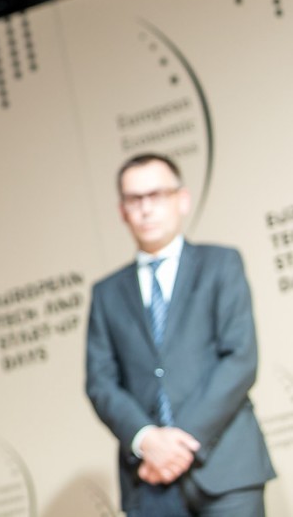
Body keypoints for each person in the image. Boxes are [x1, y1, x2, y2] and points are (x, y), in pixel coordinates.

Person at [85, 153, 275, 516]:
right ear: (122, 211)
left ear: (182, 199)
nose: (146, 209)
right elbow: (100, 382)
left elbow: (240, 358)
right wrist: (147, 440)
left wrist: (177, 444)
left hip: (227, 467)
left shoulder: (221, 264)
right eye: (134, 199)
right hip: (148, 478)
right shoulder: (106, 294)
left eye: (156, 195)